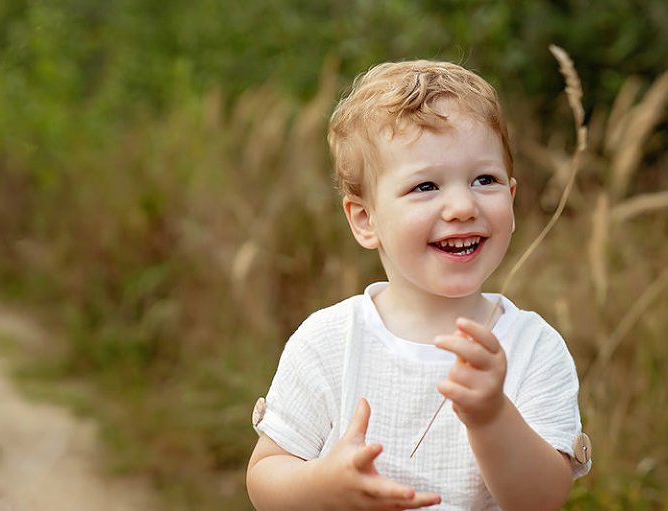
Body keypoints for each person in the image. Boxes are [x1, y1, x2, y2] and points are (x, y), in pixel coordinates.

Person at [246, 60, 591, 510]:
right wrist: (323, 484)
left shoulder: (532, 348)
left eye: (483, 180)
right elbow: (265, 476)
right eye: (426, 186)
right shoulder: (329, 342)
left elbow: (541, 501)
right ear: (365, 219)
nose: (462, 206)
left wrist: (491, 417)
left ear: (510, 198)